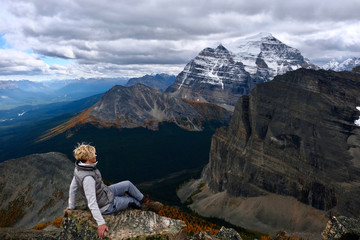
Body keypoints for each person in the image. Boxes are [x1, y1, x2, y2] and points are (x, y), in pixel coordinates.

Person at [66, 143, 163, 239]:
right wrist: (101, 223)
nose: (96, 155)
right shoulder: (88, 178)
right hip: (105, 205)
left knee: (127, 184)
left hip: (105, 192)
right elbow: (92, 202)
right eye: (93, 154)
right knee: (130, 200)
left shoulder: (79, 169)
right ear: (87, 158)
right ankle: (144, 207)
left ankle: (146, 201)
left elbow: (72, 189)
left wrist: (72, 205)